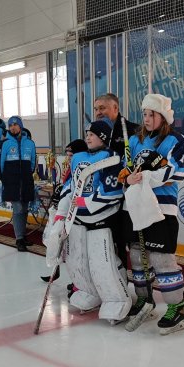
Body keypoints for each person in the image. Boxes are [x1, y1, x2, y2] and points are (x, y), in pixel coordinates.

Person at [122, 93, 184, 335]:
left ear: (163, 116)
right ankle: (145, 300)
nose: (147, 118)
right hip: (136, 207)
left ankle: (177, 308)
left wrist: (146, 177)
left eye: (153, 114)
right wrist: (127, 177)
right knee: (138, 258)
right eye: (145, 114)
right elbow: (125, 168)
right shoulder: (134, 140)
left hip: (162, 209)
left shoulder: (176, 140)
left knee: (162, 259)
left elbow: (178, 170)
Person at [54, 118, 132, 324]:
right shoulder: (78, 158)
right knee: (76, 259)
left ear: (104, 138)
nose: (88, 136)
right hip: (77, 221)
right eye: (87, 133)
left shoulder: (112, 158)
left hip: (100, 220)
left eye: (93, 134)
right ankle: (90, 292)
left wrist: (83, 202)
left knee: (102, 261)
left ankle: (116, 299)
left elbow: (112, 191)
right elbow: (69, 185)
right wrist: (62, 212)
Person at [94, 93, 139, 273]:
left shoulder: (132, 130)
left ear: (115, 108)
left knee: (126, 242)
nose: (98, 112)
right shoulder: (94, 131)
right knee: (104, 241)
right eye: (96, 109)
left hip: (126, 198)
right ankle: (105, 282)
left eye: (102, 108)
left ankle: (126, 285)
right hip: (102, 196)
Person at [40, 139, 88, 287]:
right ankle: (62, 273)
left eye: (71, 155)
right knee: (60, 243)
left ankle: (78, 284)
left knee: (76, 252)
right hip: (66, 213)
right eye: (67, 155)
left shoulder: (84, 169)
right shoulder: (70, 169)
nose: (69, 158)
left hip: (79, 216)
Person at [0, 116, 36, 252]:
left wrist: (26, 176)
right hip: (11, 182)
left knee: (24, 209)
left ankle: (22, 237)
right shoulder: (4, 144)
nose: (12, 127)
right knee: (18, 209)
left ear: (21, 126)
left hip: (26, 182)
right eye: (10, 125)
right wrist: (5, 180)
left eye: (15, 124)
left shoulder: (30, 143)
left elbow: (32, 163)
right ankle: (19, 239)